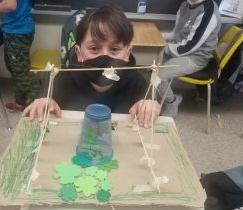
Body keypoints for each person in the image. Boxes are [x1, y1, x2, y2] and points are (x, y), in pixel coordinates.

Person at [22, 5, 161, 128]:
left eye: (114, 49)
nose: (105, 57)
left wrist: (150, 105)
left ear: (127, 53)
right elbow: (42, 105)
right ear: (79, 52)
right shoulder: (61, 80)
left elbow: (153, 108)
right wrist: (43, 103)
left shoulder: (137, 83)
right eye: (94, 48)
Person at [158, 0, 221, 117]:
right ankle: (155, 98)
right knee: (150, 61)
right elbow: (176, 34)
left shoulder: (208, 11)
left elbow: (190, 46)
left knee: (159, 75)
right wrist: (159, 36)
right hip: (180, 49)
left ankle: (171, 103)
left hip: (196, 57)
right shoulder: (185, 5)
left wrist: (162, 49)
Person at [0, 0, 40, 112]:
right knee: (14, 67)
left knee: (20, 71)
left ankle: (39, 102)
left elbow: (10, 5)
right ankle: (20, 102)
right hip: (16, 29)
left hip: (18, 30)